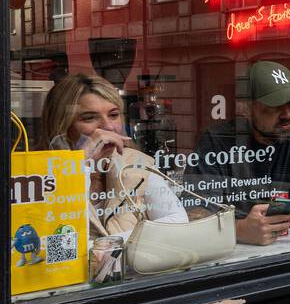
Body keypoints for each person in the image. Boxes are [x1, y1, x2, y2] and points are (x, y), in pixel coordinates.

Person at [190, 61, 290, 246]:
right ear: (247, 109)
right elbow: (193, 213)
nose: (288, 114)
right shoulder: (217, 140)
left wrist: (269, 221)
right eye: (276, 105)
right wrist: (239, 229)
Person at [41, 73, 188, 238]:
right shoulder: (39, 175)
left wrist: (110, 246)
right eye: (89, 118)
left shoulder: (134, 161)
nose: (109, 127)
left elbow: (178, 221)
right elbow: (52, 237)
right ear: (63, 125)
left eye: (113, 115)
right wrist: (81, 163)